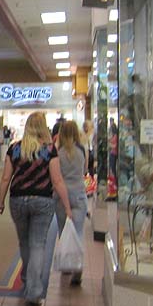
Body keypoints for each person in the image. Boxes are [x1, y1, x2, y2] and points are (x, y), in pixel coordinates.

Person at [0, 112, 72, 306]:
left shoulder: (14, 149)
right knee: (38, 244)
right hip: (43, 201)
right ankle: (34, 291)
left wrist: (0, 201)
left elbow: (6, 178)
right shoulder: (49, 150)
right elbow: (57, 180)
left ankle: (28, 280)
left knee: (24, 242)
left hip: (18, 200)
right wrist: (67, 206)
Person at [54, 120, 89, 285]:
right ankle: (78, 267)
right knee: (78, 232)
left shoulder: (58, 153)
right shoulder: (82, 150)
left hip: (61, 197)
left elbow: (55, 177)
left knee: (64, 231)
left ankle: (67, 265)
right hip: (79, 195)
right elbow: (85, 170)